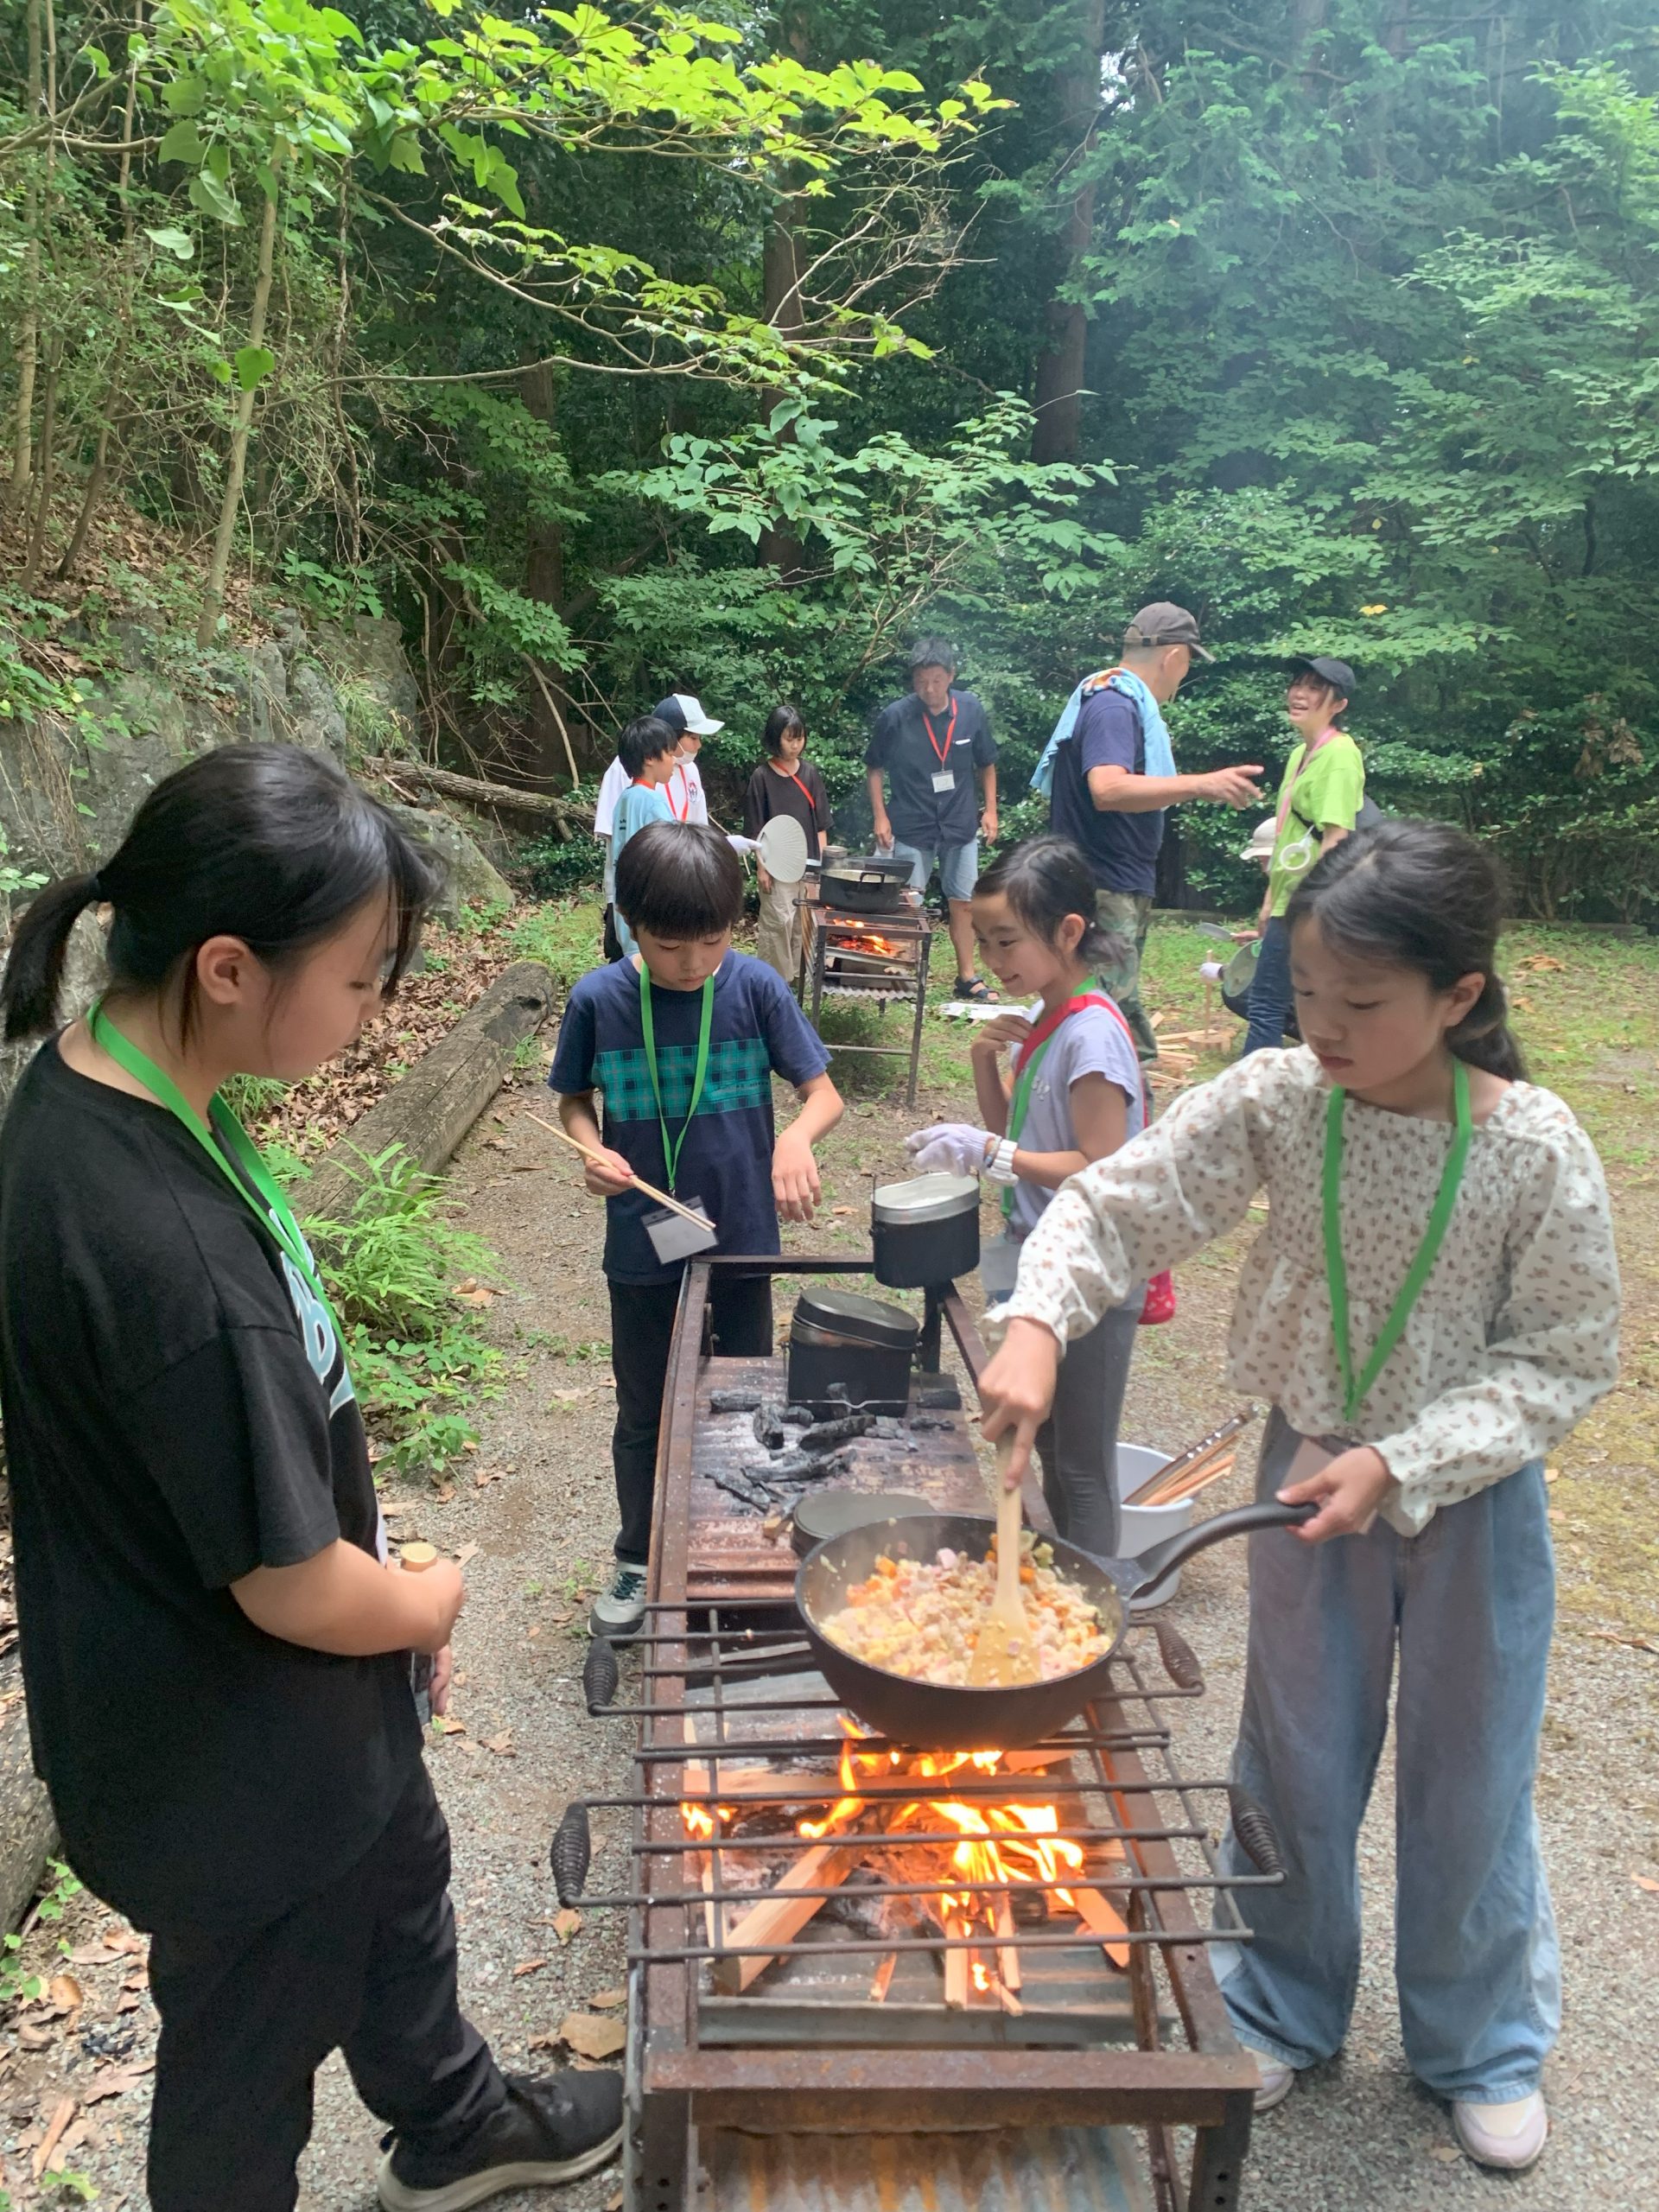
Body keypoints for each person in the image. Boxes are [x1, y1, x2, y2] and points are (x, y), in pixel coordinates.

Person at [0, 746, 623, 2212]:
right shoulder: (166, 1250)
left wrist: (380, 1610)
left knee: (401, 1870)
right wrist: (422, 1601)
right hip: (238, 1768)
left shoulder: (97, 1092)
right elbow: (286, 1585)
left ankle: (454, 2122)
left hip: (264, 1721)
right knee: (242, 2069)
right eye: (357, 978)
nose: (376, 1011)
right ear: (227, 965)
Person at [976, 820, 1620, 2176]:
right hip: (1301, 1481)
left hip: (1471, 1502)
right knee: (1294, 1747)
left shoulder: (1535, 1147)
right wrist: (1037, 1321)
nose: (1323, 1025)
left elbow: (1563, 1355)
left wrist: (1409, 1460)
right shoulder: (1282, 1100)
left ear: (1461, 996)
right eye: (1309, 993)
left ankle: (1480, 2042)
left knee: (1473, 1769)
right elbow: (1111, 1207)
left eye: (1362, 1004)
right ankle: (1277, 1996)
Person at [550, 822, 842, 1637]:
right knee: (644, 1409)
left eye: (711, 941)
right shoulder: (599, 1000)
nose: (692, 963)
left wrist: (793, 1136)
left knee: (743, 1396)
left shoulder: (754, 989)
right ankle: (640, 1557)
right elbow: (572, 1101)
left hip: (742, 1244)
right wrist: (592, 1148)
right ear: (629, 922)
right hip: (644, 1243)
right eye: (670, 945)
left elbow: (823, 1095)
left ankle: (735, 1547)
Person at [905, 837, 1146, 1556]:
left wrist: (992, 1155)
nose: (994, 959)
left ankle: (1100, 1603)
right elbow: (1013, 1131)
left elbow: (1098, 1163)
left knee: (1081, 1463)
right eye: (983, 942)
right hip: (1045, 1265)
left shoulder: (1093, 1034)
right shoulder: (1046, 1018)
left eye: (1007, 940)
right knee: (1046, 1450)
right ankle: (1063, 1583)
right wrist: (987, 1065)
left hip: (1094, 1274)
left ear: (1068, 932)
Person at [1039, 601, 1263, 1061]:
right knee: (1096, 1018)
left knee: (1108, 1008)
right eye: (1187, 665)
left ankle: (1123, 1101)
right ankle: (1092, 1118)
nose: (1181, 678)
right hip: (1103, 887)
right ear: (1174, 657)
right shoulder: (1115, 706)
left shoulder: (1112, 699)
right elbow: (1107, 786)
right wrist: (1202, 784)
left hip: (1113, 884)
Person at [1243, 657, 1365, 1055]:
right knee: (1281, 1001)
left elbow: (1335, 840)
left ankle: (1254, 1096)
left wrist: (1308, 908)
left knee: (1266, 1003)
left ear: (1338, 704)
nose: (1298, 693)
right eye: (1297, 684)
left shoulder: (1340, 755)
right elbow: (1286, 834)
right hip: (1287, 898)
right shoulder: (1301, 754)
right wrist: (1268, 902)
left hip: (1309, 903)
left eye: (1314, 688)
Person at [866, 637, 999, 1000]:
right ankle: (902, 974)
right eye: (922, 681)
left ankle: (967, 977)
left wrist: (991, 810)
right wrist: (881, 817)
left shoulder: (970, 710)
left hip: (959, 823)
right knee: (909, 900)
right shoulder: (895, 716)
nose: (929, 688)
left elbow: (986, 763)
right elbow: (874, 768)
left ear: (951, 676)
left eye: (937, 680)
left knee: (964, 901)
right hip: (911, 821)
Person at [593, 692, 723, 957]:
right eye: (692, 737)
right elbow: (616, 842)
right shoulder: (631, 781)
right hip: (650, 901)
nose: (697, 746)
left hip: (645, 901)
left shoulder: (685, 772)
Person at [743, 702, 830, 982]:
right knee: (779, 922)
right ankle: (774, 980)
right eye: (789, 738)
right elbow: (756, 831)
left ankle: (800, 979)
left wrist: (823, 867)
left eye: (799, 738)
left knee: (803, 926)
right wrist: (762, 868)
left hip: (809, 865)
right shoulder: (761, 778)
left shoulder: (810, 774)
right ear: (775, 738)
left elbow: (820, 825)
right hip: (776, 865)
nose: (795, 745)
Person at [606, 714, 681, 959]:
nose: (674, 761)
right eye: (669, 754)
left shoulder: (624, 800)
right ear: (650, 758)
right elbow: (675, 852)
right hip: (653, 916)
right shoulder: (653, 802)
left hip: (626, 917)